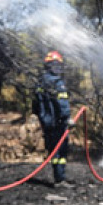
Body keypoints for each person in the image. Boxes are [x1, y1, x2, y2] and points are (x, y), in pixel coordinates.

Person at [34, 50, 73, 187]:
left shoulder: (40, 82)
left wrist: (43, 118)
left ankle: (58, 177)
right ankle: (60, 179)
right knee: (61, 150)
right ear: (49, 66)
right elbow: (63, 104)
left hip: (47, 122)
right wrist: (67, 118)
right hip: (59, 123)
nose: (57, 68)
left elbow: (36, 106)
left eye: (58, 65)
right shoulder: (57, 83)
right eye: (55, 65)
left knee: (53, 150)